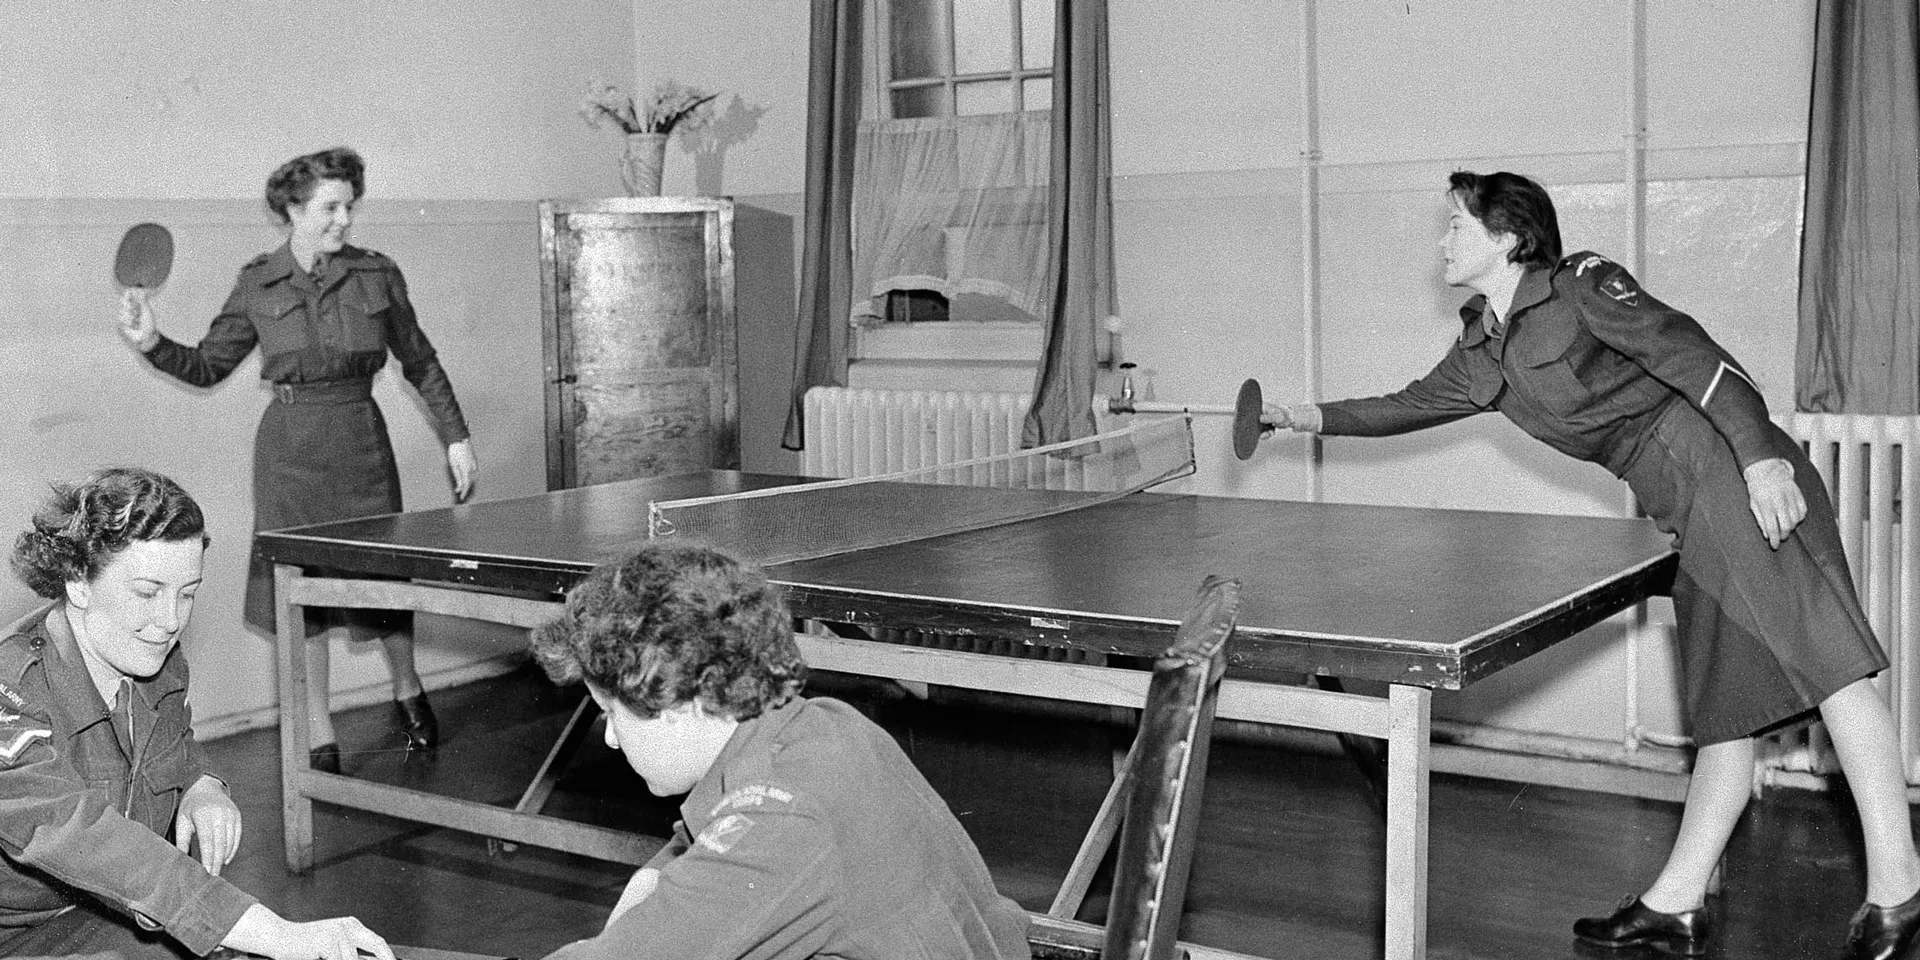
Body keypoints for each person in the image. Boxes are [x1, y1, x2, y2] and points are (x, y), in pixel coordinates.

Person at [1261, 170, 1920, 960]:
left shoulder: (1580, 289)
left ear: (1507, 238)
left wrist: (1761, 462)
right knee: (1731, 707)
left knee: (1832, 668)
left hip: (1726, 471)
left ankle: (1899, 890)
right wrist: (1299, 417)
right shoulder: (1483, 348)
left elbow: (1699, 359)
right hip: (1680, 503)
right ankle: (1676, 906)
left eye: (1456, 226)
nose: (1442, 241)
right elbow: (1405, 405)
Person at [117, 146, 478, 773]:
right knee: (300, 592)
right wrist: (151, 343)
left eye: (348, 207)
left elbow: (419, 360)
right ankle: (318, 727)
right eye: (329, 208)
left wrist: (456, 435)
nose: (343, 220)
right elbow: (207, 367)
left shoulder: (376, 273)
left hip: (362, 445)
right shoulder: (258, 281)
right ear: (292, 209)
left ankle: (407, 688)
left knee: (382, 581)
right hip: (289, 456)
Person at [527, 542, 1033, 960]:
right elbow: (695, 860)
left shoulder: (780, 822)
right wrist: (649, 883)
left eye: (611, 713)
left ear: (682, 702)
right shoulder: (820, 724)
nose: (611, 738)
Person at [0, 467, 396, 960]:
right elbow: (78, 831)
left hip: (97, 914)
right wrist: (277, 933)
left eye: (187, 593)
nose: (169, 622)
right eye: (147, 592)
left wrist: (200, 784)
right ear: (78, 582)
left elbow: (170, 745)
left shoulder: (150, 658)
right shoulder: (10, 690)